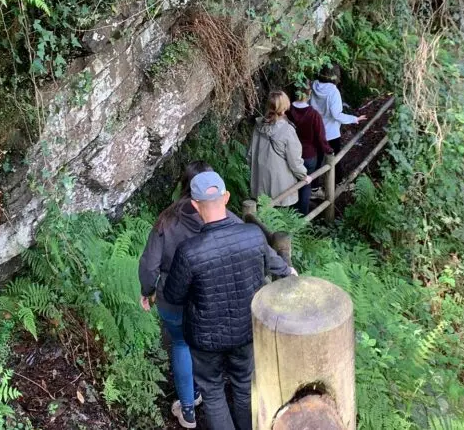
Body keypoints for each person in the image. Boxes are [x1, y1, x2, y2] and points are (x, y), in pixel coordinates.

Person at [138, 161, 292, 428]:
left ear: (193, 201)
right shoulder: (247, 231)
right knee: (243, 385)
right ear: (226, 197)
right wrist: (289, 272)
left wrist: (148, 291)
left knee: (203, 379)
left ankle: (188, 409)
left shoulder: (171, 227)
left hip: (201, 327)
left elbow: (157, 274)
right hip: (242, 324)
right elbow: (270, 259)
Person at [248, 90, 311, 208]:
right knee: (279, 219)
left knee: (264, 216)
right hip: (281, 186)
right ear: (284, 106)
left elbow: (250, 154)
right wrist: (304, 176)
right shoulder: (287, 130)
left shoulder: (258, 125)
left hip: (260, 183)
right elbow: (294, 161)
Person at [287, 81, 334, 215]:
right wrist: (328, 150)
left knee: (291, 183)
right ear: (309, 94)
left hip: (289, 154)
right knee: (305, 184)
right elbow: (320, 137)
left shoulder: (287, 111)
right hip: (308, 154)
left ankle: (290, 213)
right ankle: (302, 215)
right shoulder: (314, 115)